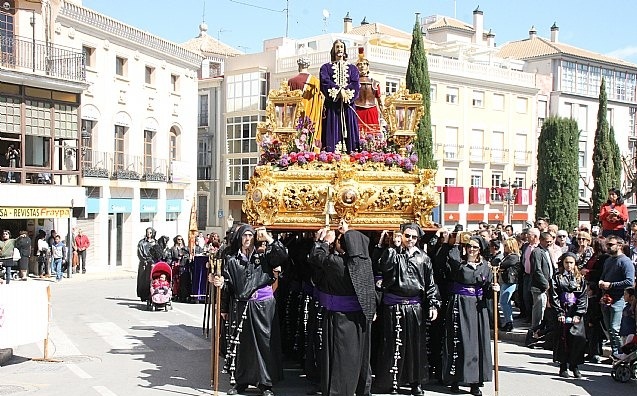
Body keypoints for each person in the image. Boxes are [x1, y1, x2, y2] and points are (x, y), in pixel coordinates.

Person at [212, 225, 287, 396]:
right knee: (243, 345)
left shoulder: (264, 255)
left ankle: (265, 383)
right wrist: (219, 284)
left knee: (264, 343)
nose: (247, 239)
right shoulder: (232, 260)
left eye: (250, 235)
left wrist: (268, 238)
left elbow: (282, 256)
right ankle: (242, 380)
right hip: (241, 305)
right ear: (239, 238)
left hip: (263, 305)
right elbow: (227, 285)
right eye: (244, 235)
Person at [309, 220, 375, 396]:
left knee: (340, 358)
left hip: (340, 317)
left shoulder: (336, 262)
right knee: (357, 357)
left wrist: (324, 242)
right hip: (358, 318)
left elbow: (316, 258)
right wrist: (348, 232)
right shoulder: (364, 263)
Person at [374, 223, 439, 395]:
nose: (410, 240)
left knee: (415, 346)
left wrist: (433, 304)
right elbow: (383, 267)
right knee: (393, 344)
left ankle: (415, 382)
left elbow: (430, 284)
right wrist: (392, 248)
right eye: (407, 236)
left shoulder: (423, 258)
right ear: (401, 235)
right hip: (394, 305)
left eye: (414, 237)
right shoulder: (393, 254)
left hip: (414, 307)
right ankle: (393, 381)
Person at [442, 235, 497, 396]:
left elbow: (487, 289)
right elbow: (450, 257)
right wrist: (456, 242)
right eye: (469, 246)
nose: (471, 249)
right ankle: (455, 378)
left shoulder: (486, 267)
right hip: (460, 304)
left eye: (474, 247)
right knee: (459, 340)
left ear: (480, 249)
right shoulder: (459, 264)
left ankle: (474, 381)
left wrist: (494, 289)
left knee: (476, 343)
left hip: (477, 308)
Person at [549, 252, 588, 378]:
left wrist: (579, 313)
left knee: (577, 338)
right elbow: (554, 296)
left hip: (575, 310)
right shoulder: (557, 277)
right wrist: (559, 312)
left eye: (571, 263)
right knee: (563, 338)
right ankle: (563, 365)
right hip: (563, 309)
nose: (569, 265)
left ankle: (575, 365)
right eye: (566, 262)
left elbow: (582, 297)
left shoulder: (579, 278)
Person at [319, 39, 360, 153]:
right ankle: (331, 154)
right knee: (332, 129)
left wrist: (346, 93)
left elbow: (356, 83)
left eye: (341, 47)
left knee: (350, 129)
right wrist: (338, 91)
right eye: (337, 47)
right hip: (333, 106)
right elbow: (324, 82)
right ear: (334, 50)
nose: (339, 49)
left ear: (344, 50)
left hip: (348, 106)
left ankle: (352, 153)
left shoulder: (352, 68)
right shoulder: (326, 68)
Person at [599, 235, 635, 360]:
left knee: (615, 329)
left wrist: (611, 285)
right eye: (607, 245)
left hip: (619, 299)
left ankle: (622, 355)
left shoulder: (625, 262)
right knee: (609, 329)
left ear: (619, 245)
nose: (608, 247)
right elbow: (604, 276)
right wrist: (602, 283)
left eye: (611, 245)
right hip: (607, 298)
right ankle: (615, 355)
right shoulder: (608, 260)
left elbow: (629, 282)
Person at [288, 56, 324, 150]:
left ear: (298, 66)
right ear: (308, 65)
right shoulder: (316, 82)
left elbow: (290, 104)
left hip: (297, 118)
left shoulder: (291, 81)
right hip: (312, 118)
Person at [354, 49, 383, 135]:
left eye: (364, 64)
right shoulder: (353, 83)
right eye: (360, 64)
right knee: (357, 134)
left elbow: (380, 102)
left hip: (371, 111)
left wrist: (385, 116)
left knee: (373, 135)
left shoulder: (375, 83)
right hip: (357, 110)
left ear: (368, 67)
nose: (362, 66)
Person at [530, 232, 555, 329]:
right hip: (539, 287)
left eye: (550, 242)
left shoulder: (547, 251)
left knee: (545, 309)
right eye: (547, 241)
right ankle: (535, 330)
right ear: (541, 240)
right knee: (539, 309)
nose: (549, 243)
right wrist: (545, 284)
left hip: (549, 284)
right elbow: (537, 270)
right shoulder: (537, 252)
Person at [498, 238, 521, 332]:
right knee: (505, 302)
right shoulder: (508, 256)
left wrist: (500, 266)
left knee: (504, 301)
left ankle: (509, 322)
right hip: (506, 280)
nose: (505, 247)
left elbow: (503, 264)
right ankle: (508, 321)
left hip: (511, 281)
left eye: (506, 246)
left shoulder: (514, 256)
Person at [137, 227, 158, 302]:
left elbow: (158, 252)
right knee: (143, 279)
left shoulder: (155, 242)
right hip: (144, 263)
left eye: (150, 232)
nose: (148, 234)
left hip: (152, 263)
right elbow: (139, 252)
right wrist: (144, 260)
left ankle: (151, 295)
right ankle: (143, 295)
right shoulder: (142, 242)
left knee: (151, 279)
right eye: (147, 232)